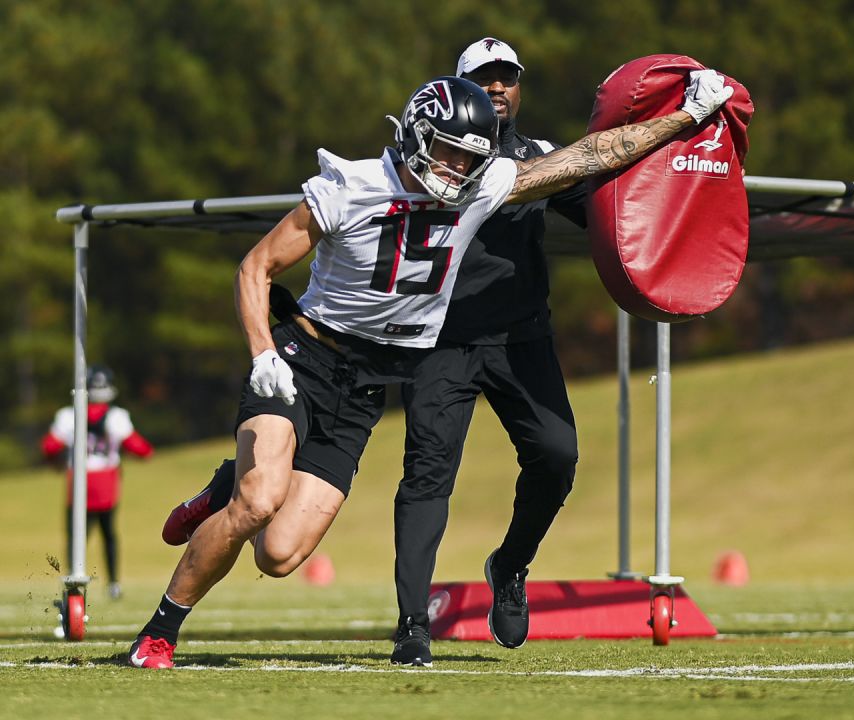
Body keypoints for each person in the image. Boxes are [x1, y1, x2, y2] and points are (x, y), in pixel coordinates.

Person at [130, 69, 735, 670]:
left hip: (366, 386)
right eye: (447, 152)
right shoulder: (350, 185)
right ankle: (159, 633)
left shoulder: (482, 185)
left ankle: (223, 485)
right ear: (418, 134)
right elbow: (254, 269)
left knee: (279, 555)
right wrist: (263, 354)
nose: (455, 169)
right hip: (301, 362)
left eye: (470, 158)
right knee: (259, 501)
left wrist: (687, 117)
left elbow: (594, 155)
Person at [388, 37, 587, 659]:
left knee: (557, 458)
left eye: (508, 78)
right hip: (440, 340)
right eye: (485, 77)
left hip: (522, 339)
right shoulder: (422, 153)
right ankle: (413, 626)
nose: (498, 87)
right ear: (459, 87)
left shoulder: (543, 157)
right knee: (427, 476)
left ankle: (509, 567)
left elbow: (610, 214)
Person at [42, 365, 154, 600]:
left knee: (76, 537)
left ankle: (74, 579)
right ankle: (113, 583)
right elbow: (141, 449)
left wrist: (55, 463)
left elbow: (49, 447)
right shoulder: (117, 416)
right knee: (109, 535)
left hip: (78, 481)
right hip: (105, 481)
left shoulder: (68, 415)